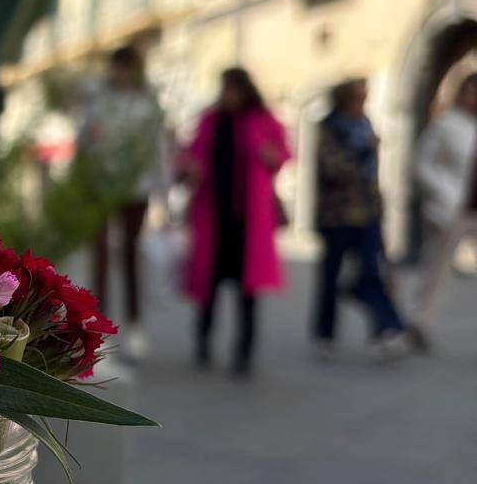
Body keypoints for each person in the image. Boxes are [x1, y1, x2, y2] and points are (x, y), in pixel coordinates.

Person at [180, 67, 290, 376]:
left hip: (247, 222)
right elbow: (191, 155)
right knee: (208, 288)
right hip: (213, 217)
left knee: (247, 293)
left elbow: (281, 155)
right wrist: (190, 168)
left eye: (233, 89)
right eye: (225, 89)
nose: (228, 95)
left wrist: (270, 155)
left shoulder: (262, 121)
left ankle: (244, 352)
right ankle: (202, 342)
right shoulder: (210, 122)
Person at [313, 79, 411, 358]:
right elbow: (334, 168)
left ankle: (386, 330)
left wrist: (380, 207)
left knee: (372, 272)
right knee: (330, 276)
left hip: (366, 214)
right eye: (358, 98)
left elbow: (371, 177)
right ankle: (325, 334)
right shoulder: (330, 128)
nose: (361, 104)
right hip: (336, 215)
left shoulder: (364, 125)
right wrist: (364, 149)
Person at [80, 45, 166, 359]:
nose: (120, 73)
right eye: (116, 66)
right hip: (101, 186)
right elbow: (86, 141)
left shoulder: (147, 102)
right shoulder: (98, 99)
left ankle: (135, 323)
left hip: (136, 187)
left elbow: (157, 148)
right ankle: (97, 326)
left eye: (125, 67)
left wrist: (163, 193)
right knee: (100, 255)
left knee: (131, 253)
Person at [411, 71, 477, 338]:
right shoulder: (445, 125)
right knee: (436, 269)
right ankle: (418, 321)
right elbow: (421, 164)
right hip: (453, 207)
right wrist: (443, 194)